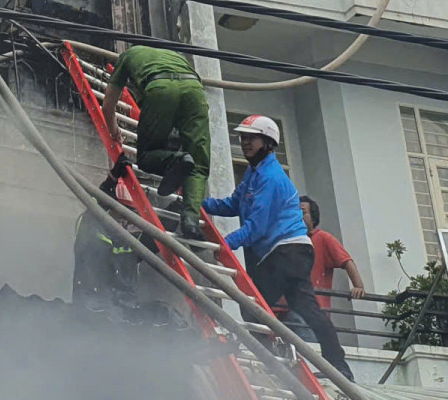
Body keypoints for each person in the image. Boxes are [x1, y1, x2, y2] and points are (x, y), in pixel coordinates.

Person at [203, 117, 353, 381]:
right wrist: (200, 204)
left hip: (289, 252)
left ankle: (333, 365)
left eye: (252, 138)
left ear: (269, 143)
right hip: (280, 253)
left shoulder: (270, 177)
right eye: (243, 137)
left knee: (284, 307)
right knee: (262, 308)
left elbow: (257, 226)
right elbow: (232, 204)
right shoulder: (254, 173)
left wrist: (227, 245)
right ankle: (287, 358)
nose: (245, 142)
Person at [99, 45, 211, 235]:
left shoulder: (127, 57)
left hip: (161, 89)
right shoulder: (175, 58)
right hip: (195, 91)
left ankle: (174, 160)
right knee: (199, 164)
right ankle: (191, 220)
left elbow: (108, 106)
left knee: (145, 157)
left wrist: (114, 129)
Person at [299, 196, 366, 311]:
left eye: (303, 212)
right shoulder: (290, 241)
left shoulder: (322, 238)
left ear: (313, 218)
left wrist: (358, 286)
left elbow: (346, 261)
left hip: (312, 309)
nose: (298, 216)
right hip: (288, 308)